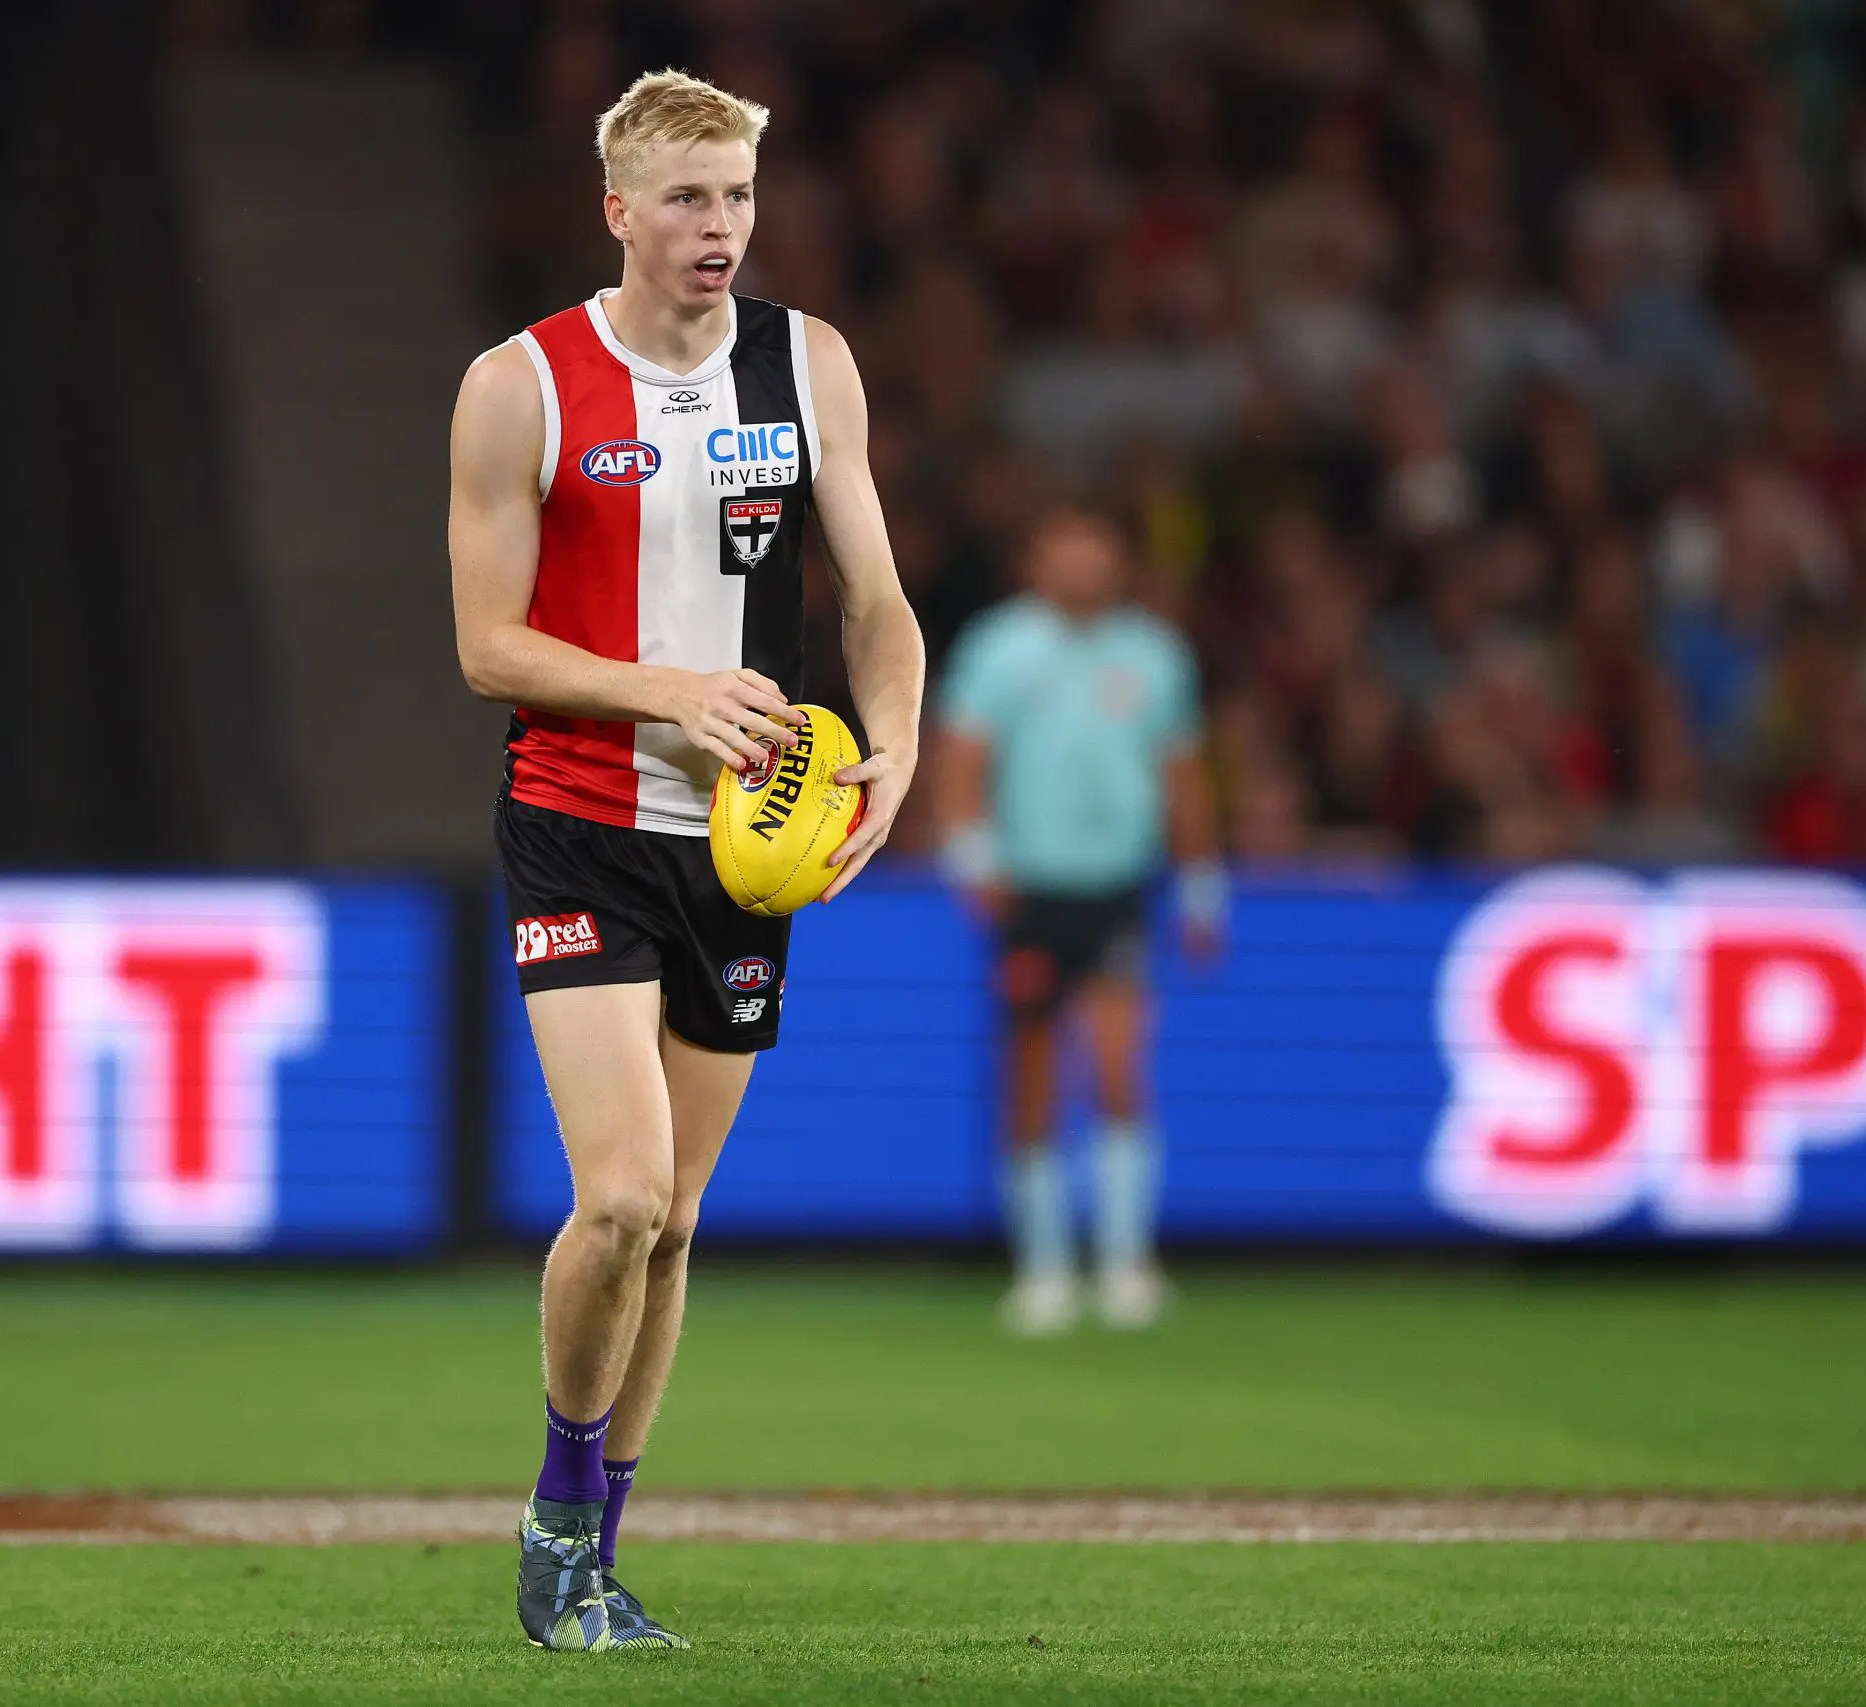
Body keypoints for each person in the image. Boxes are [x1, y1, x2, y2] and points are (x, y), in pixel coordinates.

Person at [448, 70, 925, 1651]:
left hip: (745, 848)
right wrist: (667, 689)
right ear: (618, 211)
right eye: (688, 199)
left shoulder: (810, 367)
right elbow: (486, 646)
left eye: (737, 196)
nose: (720, 226)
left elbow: (872, 597)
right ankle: (554, 1510)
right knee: (622, 1198)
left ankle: (593, 1553)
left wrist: (900, 746)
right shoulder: (522, 385)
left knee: (679, 1220)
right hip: (581, 814)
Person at [935, 508, 1224, 1336]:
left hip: (1117, 887)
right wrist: (971, 856)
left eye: (1097, 556)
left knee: (1118, 1065)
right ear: (1037, 562)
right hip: (1030, 891)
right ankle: (1045, 1269)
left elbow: (1184, 774)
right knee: (1031, 1074)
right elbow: (962, 757)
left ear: (1120, 564)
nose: (1082, 570)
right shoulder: (999, 648)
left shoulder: (1154, 656)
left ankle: (1126, 1261)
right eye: (1067, 555)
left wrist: (1203, 884)